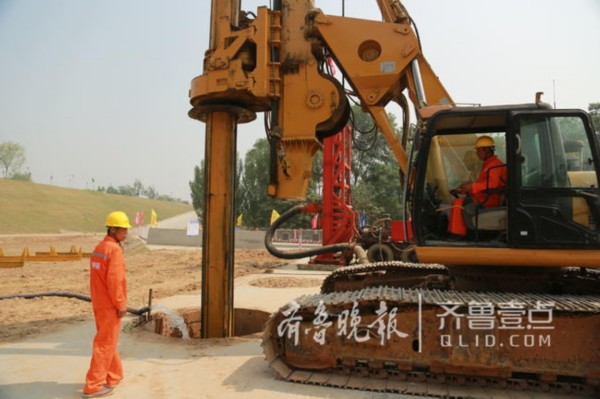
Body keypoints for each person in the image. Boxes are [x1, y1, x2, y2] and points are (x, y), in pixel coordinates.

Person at [82, 211, 131, 398]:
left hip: (99, 303)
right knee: (104, 344)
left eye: (126, 229)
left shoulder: (99, 248)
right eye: (123, 229)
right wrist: (120, 304)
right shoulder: (115, 250)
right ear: (112, 228)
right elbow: (115, 281)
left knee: (108, 341)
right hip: (110, 305)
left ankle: (115, 375)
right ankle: (93, 386)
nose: (125, 232)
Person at [447, 136, 507, 238]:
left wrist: (471, 187)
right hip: (482, 197)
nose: (477, 153)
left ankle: (457, 235)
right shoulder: (488, 164)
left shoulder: (495, 165)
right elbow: (483, 185)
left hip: (489, 200)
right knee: (459, 202)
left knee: (457, 204)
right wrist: (464, 190)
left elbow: (492, 184)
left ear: (487, 150)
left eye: (479, 151)